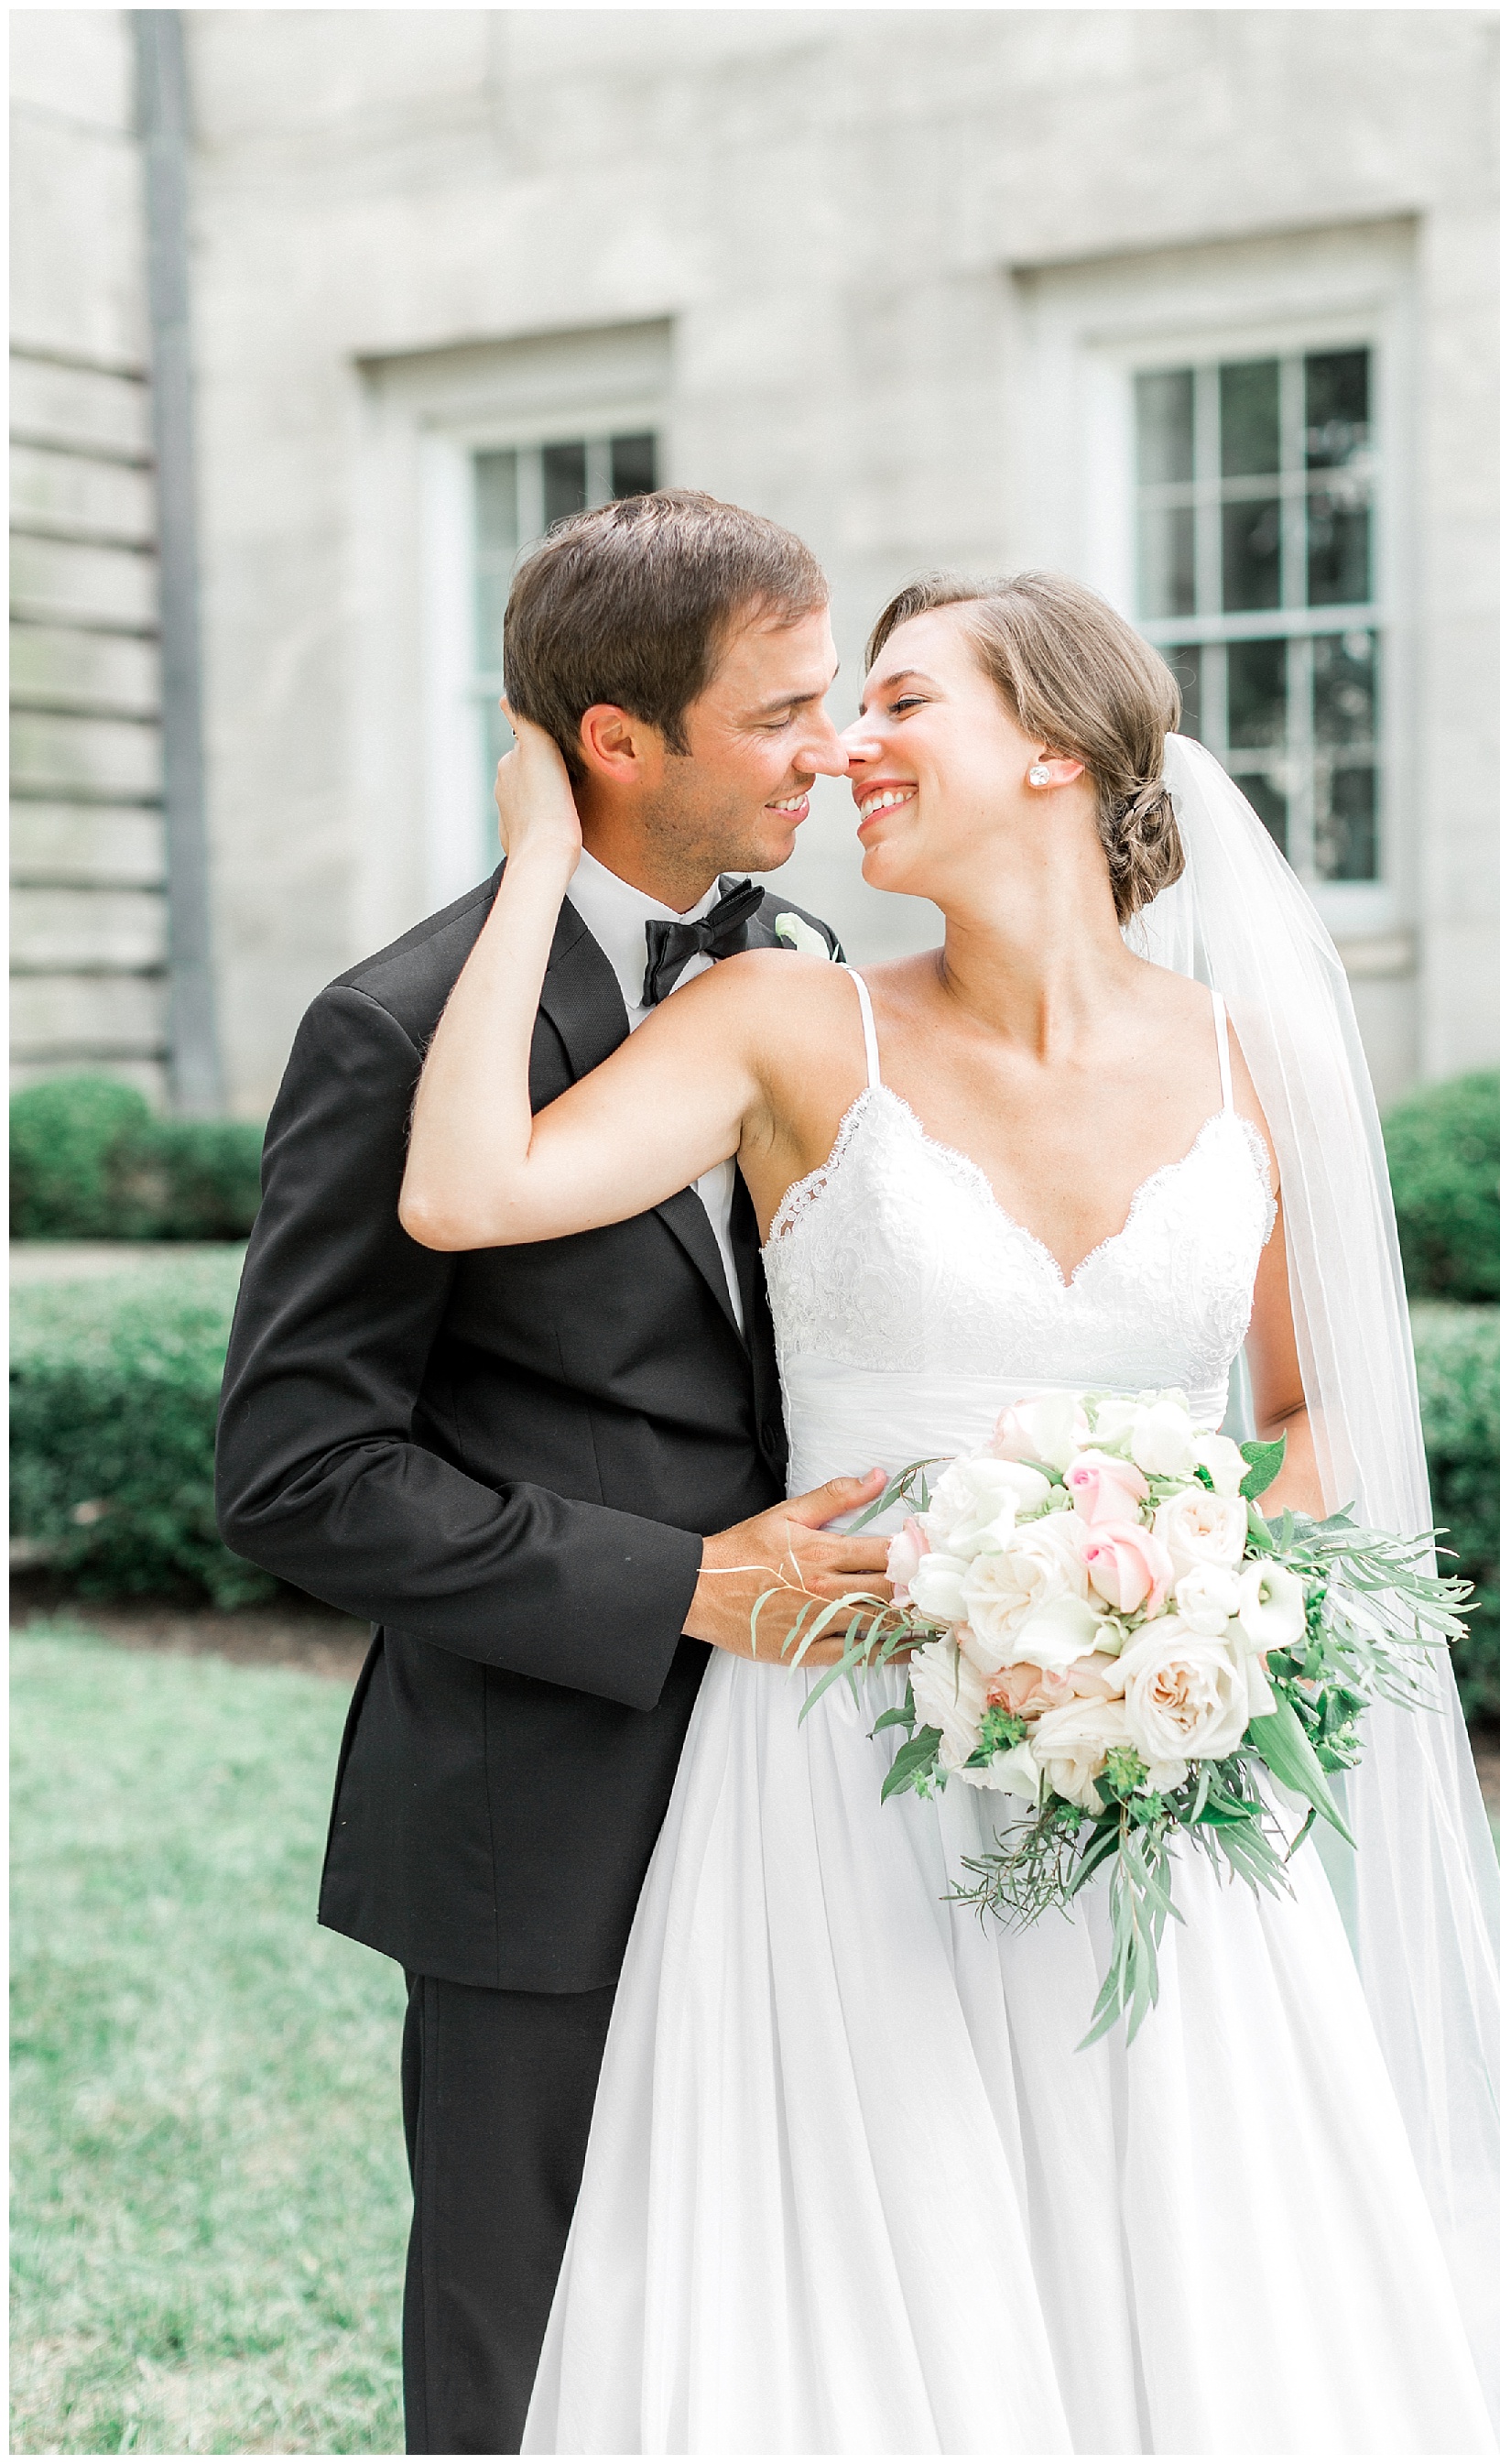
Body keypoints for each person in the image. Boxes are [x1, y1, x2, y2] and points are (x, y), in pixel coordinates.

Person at [399, 565, 1500, 2454]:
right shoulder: (782, 1020)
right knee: (865, 2301)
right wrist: (533, 863)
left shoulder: (1258, 1058)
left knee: (1195, 2282)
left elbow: (1312, 1419)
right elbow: (466, 1190)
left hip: (1156, 1769)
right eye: (847, 708)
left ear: (1056, 749)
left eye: (905, 702)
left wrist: (1177, 1593)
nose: (850, 746)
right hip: (839, 1765)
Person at [213, 490, 897, 2456]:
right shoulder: (396, 1026)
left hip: (820, 1787)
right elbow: (297, 1468)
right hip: (545, 1809)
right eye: (779, 713)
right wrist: (683, 1585)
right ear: (616, 740)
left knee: (785, 2318)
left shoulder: (810, 963)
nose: (832, 746)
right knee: (525, 2347)